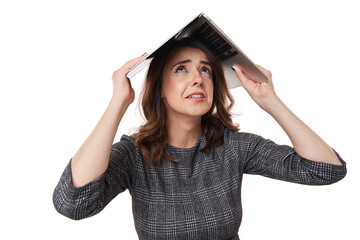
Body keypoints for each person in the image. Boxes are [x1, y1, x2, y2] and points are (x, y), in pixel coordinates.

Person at [53, 38, 347, 240]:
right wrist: (118, 101)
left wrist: (270, 100)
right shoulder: (135, 155)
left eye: (205, 69)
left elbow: (326, 169)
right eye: (181, 68)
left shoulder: (233, 146)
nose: (198, 78)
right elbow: (72, 203)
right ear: (160, 89)